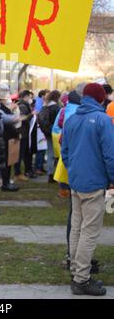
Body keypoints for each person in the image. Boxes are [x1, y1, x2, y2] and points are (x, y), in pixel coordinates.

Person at [61, 83, 114, 296]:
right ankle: (81, 279)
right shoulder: (102, 120)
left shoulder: (72, 118)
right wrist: (112, 179)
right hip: (94, 183)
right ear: (101, 99)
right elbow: (110, 154)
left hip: (76, 181)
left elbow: (65, 151)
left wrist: (73, 169)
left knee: (77, 228)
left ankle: (76, 271)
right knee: (89, 232)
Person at [38, 90, 61, 183]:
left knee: (50, 152)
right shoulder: (56, 107)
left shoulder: (45, 106)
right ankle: (54, 174)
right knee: (57, 154)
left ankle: (50, 173)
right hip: (56, 132)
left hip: (47, 132)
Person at [15, 90, 34, 181]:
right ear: (25, 97)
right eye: (30, 97)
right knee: (20, 154)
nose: (31, 99)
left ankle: (21, 171)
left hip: (24, 132)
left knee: (23, 153)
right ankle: (17, 173)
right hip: (22, 132)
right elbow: (22, 119)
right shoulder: (22, 105)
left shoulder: (23, 105)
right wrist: (31, 115)